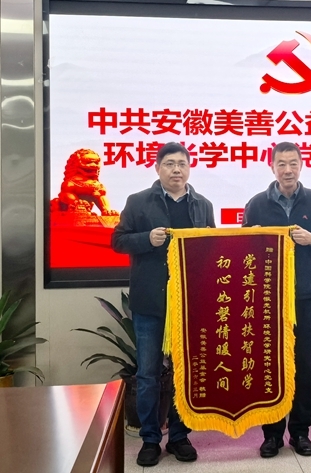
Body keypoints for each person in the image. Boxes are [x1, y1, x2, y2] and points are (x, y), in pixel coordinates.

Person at [112, 142, 215, 467]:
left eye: (182, 163)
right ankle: (150, 439)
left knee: (186, 373)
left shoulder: (203, 205)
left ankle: (180, 437)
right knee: (148, 374)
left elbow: (213, 250)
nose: (176, 170)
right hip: (150, 303)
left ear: (189, 168)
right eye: (169, 164)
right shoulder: (138, 201)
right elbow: (118, 240)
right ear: (158, 168)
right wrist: (146, 239)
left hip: (189, 304)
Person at [242, 141, 311, 458]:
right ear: (272, 167)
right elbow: (241, 251)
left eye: (293, 163)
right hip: (267, 302)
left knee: (304, 369)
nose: (288, 169)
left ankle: (300, 432)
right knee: (269, 368)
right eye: (281, 164)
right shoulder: (257, 204)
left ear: (301, 165)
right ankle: (271, 435)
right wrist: (253, 239)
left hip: (307, 298)